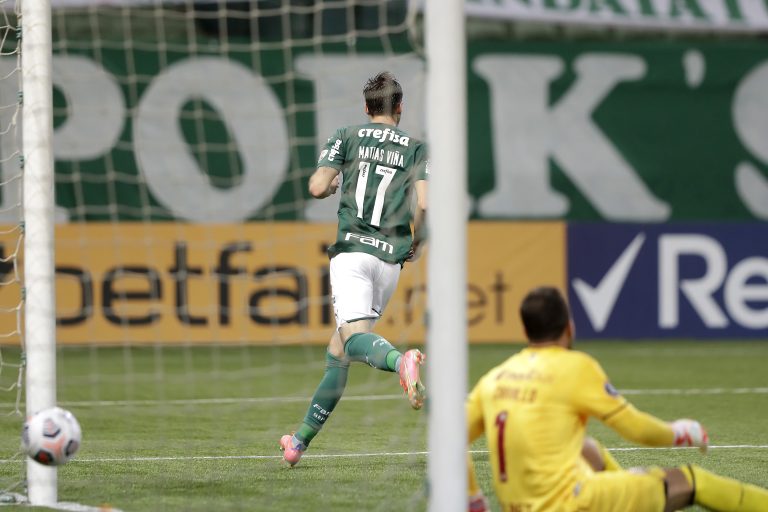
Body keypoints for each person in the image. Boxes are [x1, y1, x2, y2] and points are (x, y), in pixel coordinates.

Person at [466, 286, 768, 512]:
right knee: (689, 480)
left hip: (518, 506)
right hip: (571, 503)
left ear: (524, 331)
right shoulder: (576, 367)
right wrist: (683, 432)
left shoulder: (495, 377)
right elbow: (638, 431)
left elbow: (449, 438)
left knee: (589, 450)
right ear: (569, 328)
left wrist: (474, 498)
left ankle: (630, 492)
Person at [280, 71, 428, 467]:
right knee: (339, 350)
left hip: (353, 252)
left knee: (354, 337)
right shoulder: (416, 148)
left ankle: (402, 361)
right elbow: (426, 204)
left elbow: (316, 186)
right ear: (400, 108)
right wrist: (420, 240)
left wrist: (330, 186)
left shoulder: (347, 135)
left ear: (366, 108)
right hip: (391, 262)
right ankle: (298, 442)